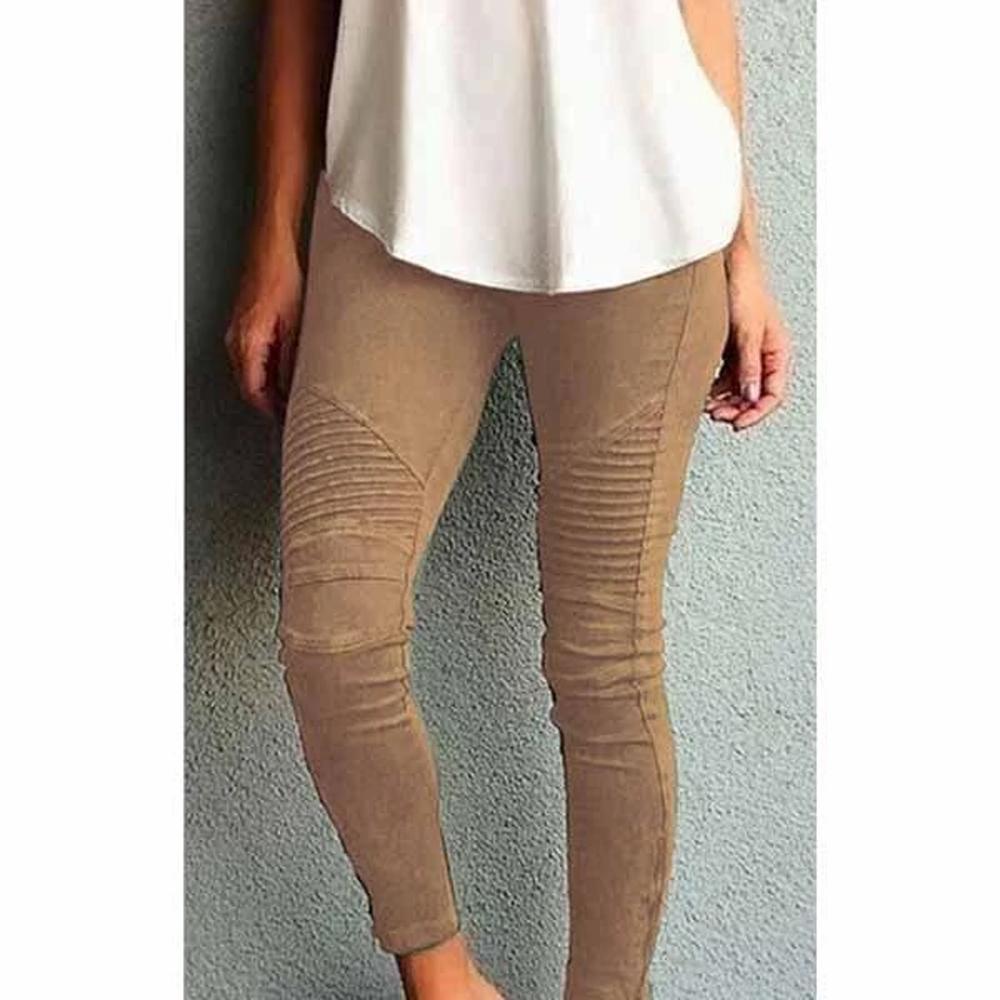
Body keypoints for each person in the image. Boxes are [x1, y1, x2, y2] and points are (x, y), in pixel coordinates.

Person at [224, 2, 791, 998]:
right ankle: (443, 981)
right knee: (333, 636)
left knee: (607, 660)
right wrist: (274, 237)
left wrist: (742, 249)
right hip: (391, 201)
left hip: (650, 220)